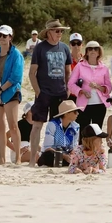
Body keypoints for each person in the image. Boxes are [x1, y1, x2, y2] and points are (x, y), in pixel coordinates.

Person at [28, 20, 74, 168]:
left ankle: (55, 158)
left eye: (61, 31)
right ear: (49, 32)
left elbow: (68, 72)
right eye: (57, 31)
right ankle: (32, 160)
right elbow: (32, 72)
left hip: (60, 93)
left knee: (57, 126)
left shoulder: (65, 48)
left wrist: (67, 89)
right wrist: (38, 91)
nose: (59, 34)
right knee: (37, 126)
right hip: (43, 93)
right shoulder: (40, 48)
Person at [0, 24, 24, 165]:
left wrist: (0, 90)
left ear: (10, 37)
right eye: (0, 35)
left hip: (10, 91)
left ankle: (18, 158)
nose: (2, 38)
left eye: (5, 35)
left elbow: (15, 77)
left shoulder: (16, 54)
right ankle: (1, 158)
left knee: (13, 126)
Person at [68, 40, 112, 140]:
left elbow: (109, 87)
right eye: (90, 49)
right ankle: (82, 155)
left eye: (95, 49)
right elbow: (70, 84)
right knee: (83, 134)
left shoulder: (104, 68)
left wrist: (99, 87)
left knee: (97, 133)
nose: (93, 51)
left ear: (99, 52)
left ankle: (96, 154)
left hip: (100, 105)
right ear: (86, 52)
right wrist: (81, 91)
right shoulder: (79, 66)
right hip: (84, 106)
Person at [38, 100, 80, 167]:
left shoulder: (76, 126)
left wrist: (71, 155)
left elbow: (74, 147)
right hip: (54, 154)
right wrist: (63, 156)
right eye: (75, 112)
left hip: (67, 154)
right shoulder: (53, 124)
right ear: (66, 114)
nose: (77, 113)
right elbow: (47, 147)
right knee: (48, 155)